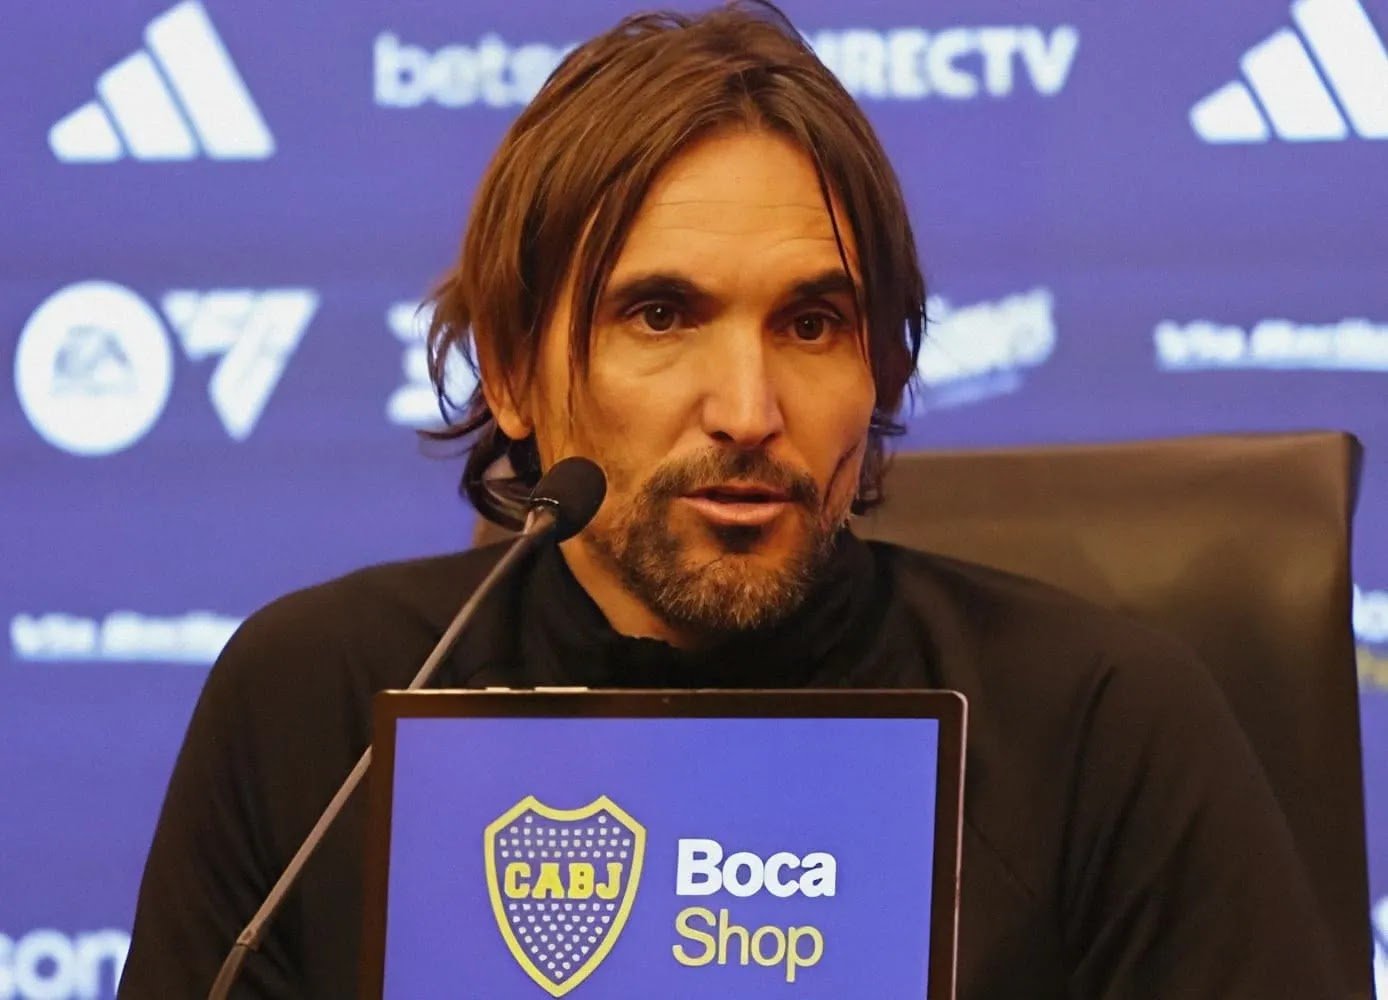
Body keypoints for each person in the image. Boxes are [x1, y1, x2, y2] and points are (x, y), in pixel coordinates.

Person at [120, 3, 1344, 997]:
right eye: (660, 315)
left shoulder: (1098, 724)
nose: (748, 409)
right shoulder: (316, 706)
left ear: (881, 370)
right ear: (510, 372)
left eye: (811, 324)